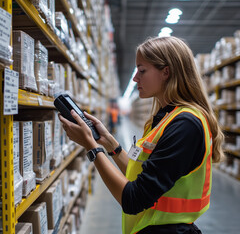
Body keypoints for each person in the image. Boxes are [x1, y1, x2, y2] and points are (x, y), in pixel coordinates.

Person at [58, 36, 225, 234]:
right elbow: (142, 175)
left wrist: (92, 148)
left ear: (166, 72)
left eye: (142, 70)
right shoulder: (165, 118)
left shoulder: (185, 125)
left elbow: (133, 199)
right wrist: (111, 145)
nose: (136, 77)